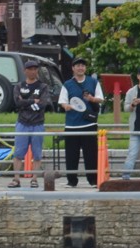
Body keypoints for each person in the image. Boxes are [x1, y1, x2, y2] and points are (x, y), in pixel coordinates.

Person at [60, 57, 103, 188]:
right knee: (71, 154)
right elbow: (62, 101)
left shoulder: (93, 82)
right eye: (78, 65)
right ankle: (71, 180)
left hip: (89, 123)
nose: (80, 68)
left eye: (83, 66)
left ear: (85, 68)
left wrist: (91, 99)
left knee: (91, 154)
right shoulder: (67, 84)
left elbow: (100, 99)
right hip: (71, 125)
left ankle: (93, 180)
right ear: (73, 68)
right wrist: (67, 106)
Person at [8, 60, 49, 189]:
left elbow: (43, 104)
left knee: (37, 153)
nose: (33, 71)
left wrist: (25, 102)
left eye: (35, 69)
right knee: (18, 153)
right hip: (22, 123)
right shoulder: (19, 86)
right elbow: (17, 103)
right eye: (30, 69)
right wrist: (32, 102)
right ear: (25, 71)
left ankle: (34, 179)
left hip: (38, 123)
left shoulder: (43, 86)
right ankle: (16, 179)